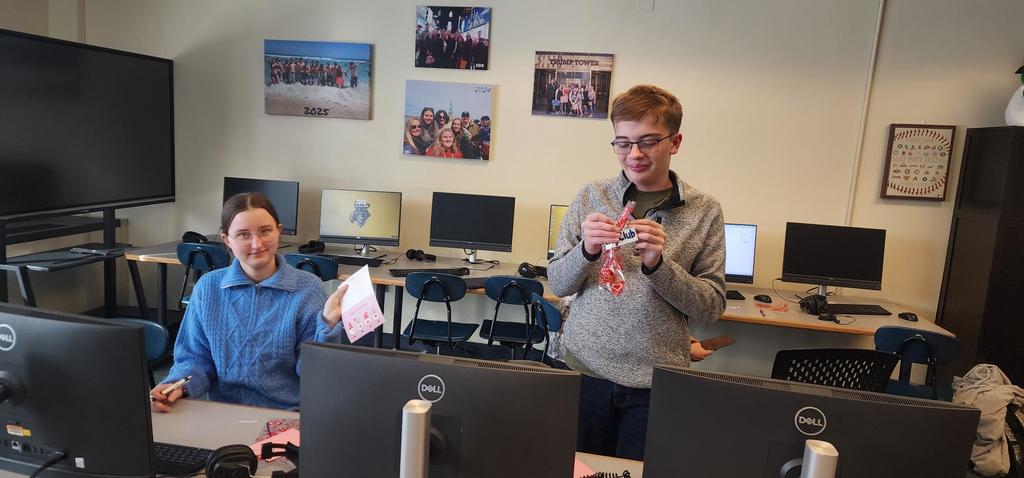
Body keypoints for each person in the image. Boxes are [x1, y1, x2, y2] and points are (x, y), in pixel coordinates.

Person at [547, 84, 726, 460]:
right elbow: (559, 282)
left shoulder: (704, 211)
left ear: (674, 142)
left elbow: (710, 306)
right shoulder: (591, 197)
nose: (635, 154)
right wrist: (586, 250)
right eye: (623, 143)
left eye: (648, 141)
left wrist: (658, 265)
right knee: (576, 469)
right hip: (584, 371)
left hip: (654, 380)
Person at [151, 192, 349, 412]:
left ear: (278, 231)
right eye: (244, 235)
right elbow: (194, 359)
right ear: (227, 240)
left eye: (265, 231)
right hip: (223, 412)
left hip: (286, 414)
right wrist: (176, 385)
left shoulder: (308, 288)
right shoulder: (208, 288)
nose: (257, 244)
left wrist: (328, 325)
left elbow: (315, 375)